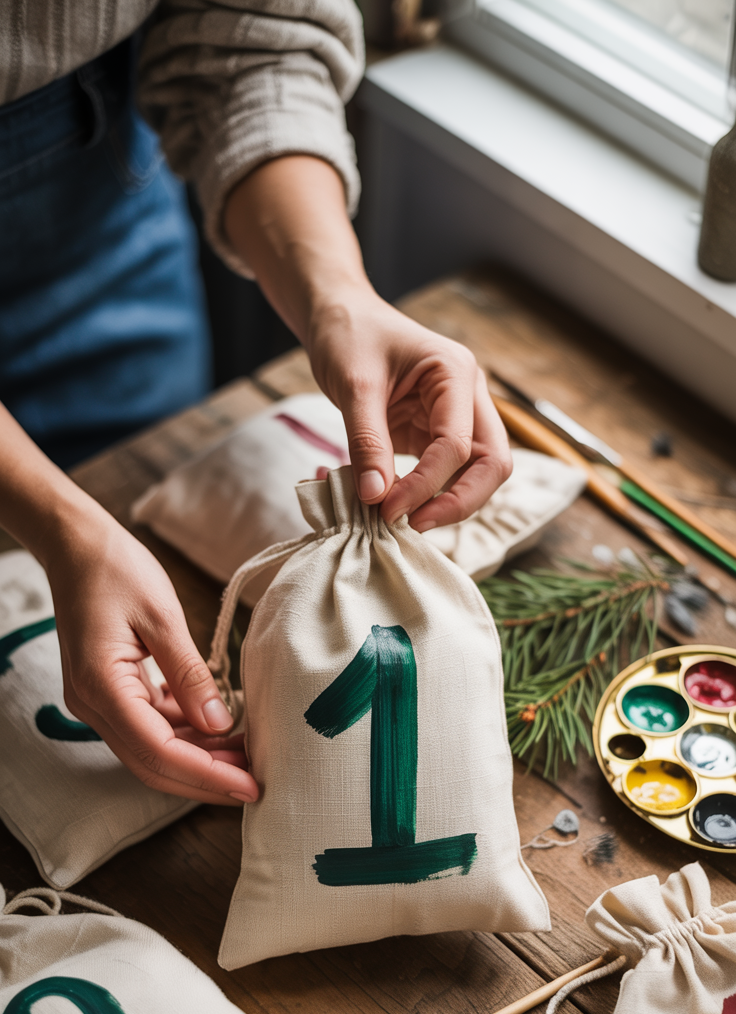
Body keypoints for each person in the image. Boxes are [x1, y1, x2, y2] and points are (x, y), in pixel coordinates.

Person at [0, 1, 512, 810]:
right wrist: (65, 528)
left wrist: (338, 299)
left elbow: (247, 35)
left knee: (141, 509)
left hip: (93, 210)